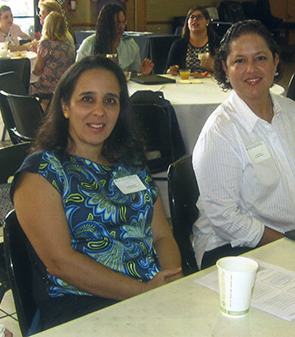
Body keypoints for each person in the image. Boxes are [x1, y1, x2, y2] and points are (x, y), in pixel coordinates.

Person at [11, 55, 182, 332]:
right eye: (87, 99)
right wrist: (142, 291)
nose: (99, 111)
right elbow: (60, 262)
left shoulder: (130, 163)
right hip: (81, 305)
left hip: (153, 292)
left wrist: (173, 280)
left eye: (110, 101)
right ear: (65, 106)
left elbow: (162, 235)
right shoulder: (42, 172)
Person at [192, 20, 295, 270]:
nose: (251, 70)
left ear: (275, 62)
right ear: (225, 67)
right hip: (232, 247)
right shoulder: (220, 132)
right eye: (239, 61)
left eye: (260, 58)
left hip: (294, 238)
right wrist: (291, 246)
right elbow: (226, 219)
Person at [76, 4, 153, 76]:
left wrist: (142, 73)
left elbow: (134, 74)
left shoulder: (130, 44)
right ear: (106, 24)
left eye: (123, 22)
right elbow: (78, 73)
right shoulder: (89, 44)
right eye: (117, 23)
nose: (121, 26)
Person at [29, 11, 75, 103]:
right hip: (65, 85)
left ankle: (42, 111)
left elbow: (38, 69)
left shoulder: (45, 44)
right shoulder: (68, 44)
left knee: (27, 85)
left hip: (47, 87)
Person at [165, 5, 219, 76]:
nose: (195, 20)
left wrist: (213, 66)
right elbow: (167, 70)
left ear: (207, 21)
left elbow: (228, 71)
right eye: (192, 17)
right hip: (185, 84)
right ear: (187, 22)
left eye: (199, 17)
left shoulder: (217, 43)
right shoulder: (179, 45)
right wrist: (171, 71)